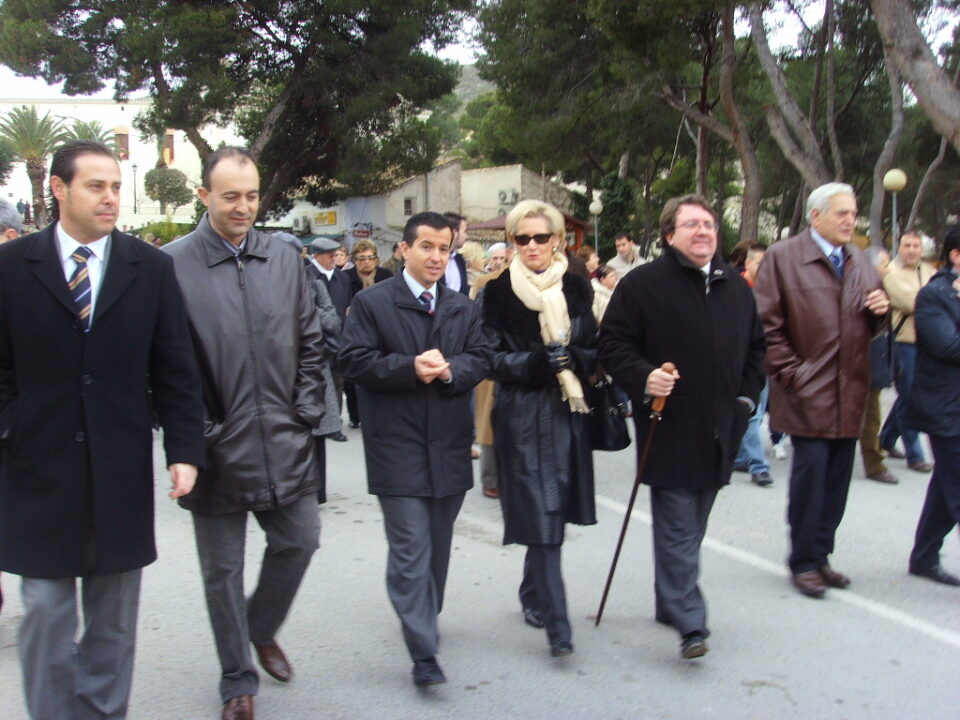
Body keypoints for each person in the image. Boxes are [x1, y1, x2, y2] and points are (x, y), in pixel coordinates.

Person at [0, 139, 205, 720]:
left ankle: (101, 712)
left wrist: (184, 449)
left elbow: (175, 367)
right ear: (58, 189)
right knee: (44, 609)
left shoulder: (151, 268)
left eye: (116, 186)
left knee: (113, 620)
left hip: (118, 468)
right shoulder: (11, 268)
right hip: (35, 469)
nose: (111, 197)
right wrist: (13, 428)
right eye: (96, 186)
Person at [164, 146, 327, 720]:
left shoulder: (285, 258)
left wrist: (305, 410)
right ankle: (238, 680)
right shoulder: (172, 264)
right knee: (222, 573)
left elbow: (311, 340)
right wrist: (198, 434)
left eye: (252, 195)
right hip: (213, 450)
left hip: (286, 437)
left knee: (301, 541)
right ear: (204, 196)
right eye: (230, 195)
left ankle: (260, 626)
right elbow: (160, 364)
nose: (243, 207)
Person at [599, 194, 765, 660]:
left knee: (691, 526)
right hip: (666, 425)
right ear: (670, 235)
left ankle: (668, 600)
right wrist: (643, 375)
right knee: (676, 525)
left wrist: (745, 401)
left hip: (721, 428)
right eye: (692, 225)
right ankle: (692, 622)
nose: (704, 232)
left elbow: (757, 350)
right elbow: (611, 345)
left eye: (709, 225)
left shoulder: (736, 286)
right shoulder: (642, 285)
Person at [338, 211, 492, 687]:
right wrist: (410, 368)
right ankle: (423, 653)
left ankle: (425, 614)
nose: (436, 256)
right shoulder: (372, 303)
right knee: (409, 547)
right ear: (404, 250)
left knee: (438, 547)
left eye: (444, 248)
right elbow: (352, 360)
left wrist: (449, 372)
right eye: (426, 246)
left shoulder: (461, 306)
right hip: (396, 445)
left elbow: (482, 357)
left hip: (447, 444)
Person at [755, 182, 889, 600]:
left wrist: (879, 314)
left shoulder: (860, 261)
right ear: (816, 216)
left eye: (854, 213)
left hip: (850, 391)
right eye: (842, 213)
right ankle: (803, 561)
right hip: (807, 390)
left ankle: (821, 555)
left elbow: (867, 321)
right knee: (810, 481)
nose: (851, 220)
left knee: (835, 484)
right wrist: (792, 373)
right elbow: (766, 325)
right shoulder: (784, 257)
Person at [481, 199, 599, 658]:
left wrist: (577, 360)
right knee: (543, 514)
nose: (531, 245)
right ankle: (558, 624)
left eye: (540, 237)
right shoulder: (496, 293)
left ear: (557, 240)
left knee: (551, 515)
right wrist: (535, 361)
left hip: (567, 413)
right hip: (520, 415)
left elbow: (594, 345)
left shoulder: (577, 286)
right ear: (512, 242)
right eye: (521, 238)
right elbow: (489, 358)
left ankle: (533, 593)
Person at [903, 225, 960, 587]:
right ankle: (924, 555)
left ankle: (924, 555)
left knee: (946, 485)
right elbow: (948, 347)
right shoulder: (934, 295)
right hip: (946, 409)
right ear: (956, 256)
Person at [880, 229, 935, 472]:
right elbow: (914, 304)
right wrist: (938, 300)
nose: (911, 250)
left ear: (922, 249)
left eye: (915, 246)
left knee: (908, 395)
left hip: (928, 344)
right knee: (911, 397)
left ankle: (886, 438)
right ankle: (916, 455)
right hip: (903, 343)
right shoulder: (891, 273)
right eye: (906, 245)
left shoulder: (929, 272)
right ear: (899, 247)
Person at [733, 242, 774, 487]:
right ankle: (758, 465)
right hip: (740, 361)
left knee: (752, 413)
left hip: (764, 360)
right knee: (753, 414)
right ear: (747, 263)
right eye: (761, 263)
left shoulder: (771, 291)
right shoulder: (735, 287)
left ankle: (739, 457)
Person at [343, 239, 393, 428]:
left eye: (370, 258)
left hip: (381, 329)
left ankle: (379, 412)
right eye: (362, 258)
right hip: (354, 330)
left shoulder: (386, 275)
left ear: (376, 259)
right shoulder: (346, 277)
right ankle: (355, 415)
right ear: (355, 260)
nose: (366, 262)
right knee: (352, 377)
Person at [306, 237, 352, 442]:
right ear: (316, 255)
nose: (334, 258)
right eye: (330, 255)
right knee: (319, 382)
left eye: (336, 254)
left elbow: (346, 306)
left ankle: (334, 423)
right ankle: (318, 421)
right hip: (315, 340)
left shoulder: (341, 277)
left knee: (337, 380)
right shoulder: (309, 275)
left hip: (338, 336)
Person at [860, 247, 899, 484]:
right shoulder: (865, 289)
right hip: (863, 365)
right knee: (871, 418)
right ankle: (874, 465)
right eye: (885, 263)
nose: (888, 268)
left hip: (876, 362)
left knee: (870, 417)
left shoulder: (880, 288)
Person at [442, 211, 470, 294]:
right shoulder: (434, 259)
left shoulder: (459, 260)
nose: (466, 236)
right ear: (454, 232)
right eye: (464, 231)